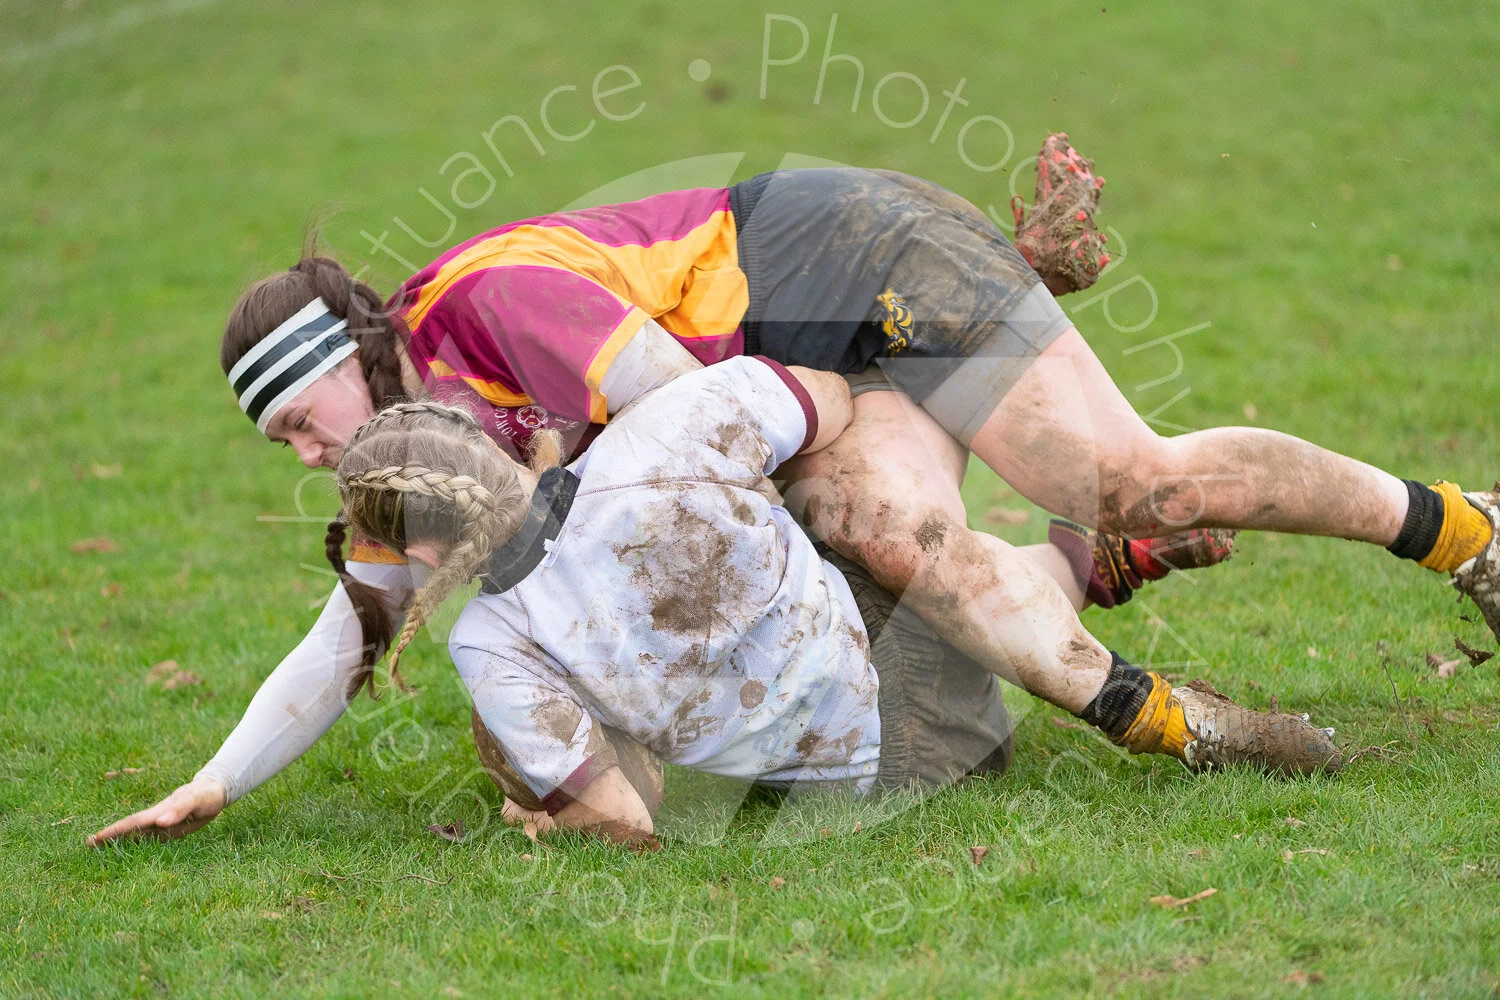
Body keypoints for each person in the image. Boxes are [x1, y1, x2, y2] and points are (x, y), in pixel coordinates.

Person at [91, 360, 1330, 849]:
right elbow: (830, 400)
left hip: (890, 765)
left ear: (424, 552)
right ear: (486, 446)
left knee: (525, 758)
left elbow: (628, 820)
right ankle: (1081, 549)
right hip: (892, 622)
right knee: (898, 489)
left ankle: (1082, 559)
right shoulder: (662, 427)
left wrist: (550, 819)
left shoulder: (487, 638)